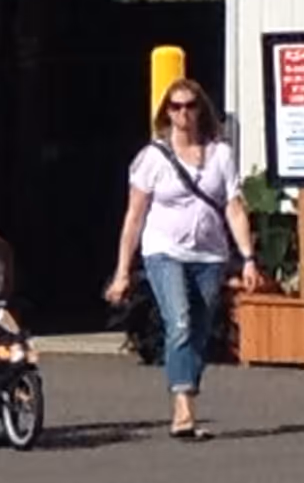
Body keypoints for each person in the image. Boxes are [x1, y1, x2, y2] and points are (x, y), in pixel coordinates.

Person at [104, 77, 260, 438]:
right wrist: (122, 271)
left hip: (209, 254)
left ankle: (187, 392)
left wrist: (248, 257)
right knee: (181, 322)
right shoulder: (153, 158)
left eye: (190, 106)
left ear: (201, 109)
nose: (183, 114)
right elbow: (135, 216)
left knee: (201, 329)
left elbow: (233, 207)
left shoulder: (220, 154)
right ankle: (183, 407)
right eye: (175, 107)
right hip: (164, 251)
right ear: (167, 113)